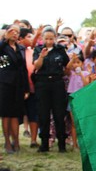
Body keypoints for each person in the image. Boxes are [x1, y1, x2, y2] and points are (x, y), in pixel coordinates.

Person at [32, 28, 70, 153]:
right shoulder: (38, 49)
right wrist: (42, 56)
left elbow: (66, 66)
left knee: (59, 114)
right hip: (42, 83)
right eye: (46, 38)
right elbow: (36, 66)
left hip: (57, 83)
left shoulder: (60, 49)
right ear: (42, 38)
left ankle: (62, 144)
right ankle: (44, 144)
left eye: (51, 38)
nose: (48, 41)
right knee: (43, 114)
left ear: (55, 38)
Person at [0, 25, 29, 153]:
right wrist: (4, 39)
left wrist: (26, 88)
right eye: (12, 31)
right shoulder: (2, 47)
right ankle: (7, 142)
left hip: (18, 85)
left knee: (16, 114)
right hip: (4, 84)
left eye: (17, 32)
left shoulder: (20, 48)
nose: (14, 34)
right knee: (6, 114)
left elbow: (23, 69)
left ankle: (16, 142)